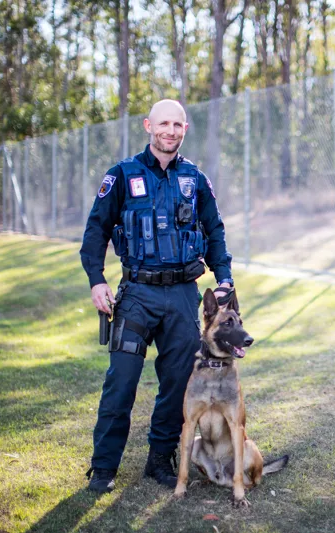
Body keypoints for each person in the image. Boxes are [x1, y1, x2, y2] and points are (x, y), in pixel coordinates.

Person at [80, 99, 234, 493]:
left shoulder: (195, 178)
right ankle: (103, 467)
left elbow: (214, 231)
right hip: (137, 295)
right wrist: (97, 280)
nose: (170, 131)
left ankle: (159, 459)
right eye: (163, 124)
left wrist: (224, 278)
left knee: (179, 383)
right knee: (121, 381)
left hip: (183, 296)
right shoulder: (122, 174)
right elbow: (96, 230)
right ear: (149, 126)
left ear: (185, 129)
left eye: (177, 125)